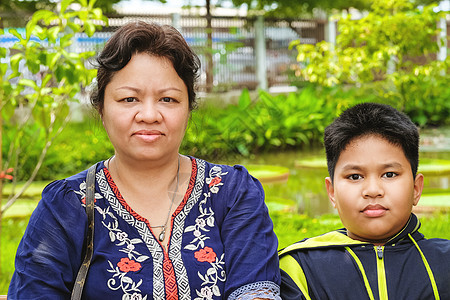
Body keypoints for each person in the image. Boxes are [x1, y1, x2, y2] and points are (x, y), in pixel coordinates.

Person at [8, 21, 281, 300]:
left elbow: (256, 291)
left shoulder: (232, 192)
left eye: (168, 99)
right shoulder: (66, 205)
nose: (149, 115)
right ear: (101, 109)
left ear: (189, 109)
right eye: (129, 99)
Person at [279, 103, 450, 300]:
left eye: (389, 174)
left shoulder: (444, 263)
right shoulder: (298, 269)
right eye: (354, 177)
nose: (372, 191)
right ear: (332, 192)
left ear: (416, 189)